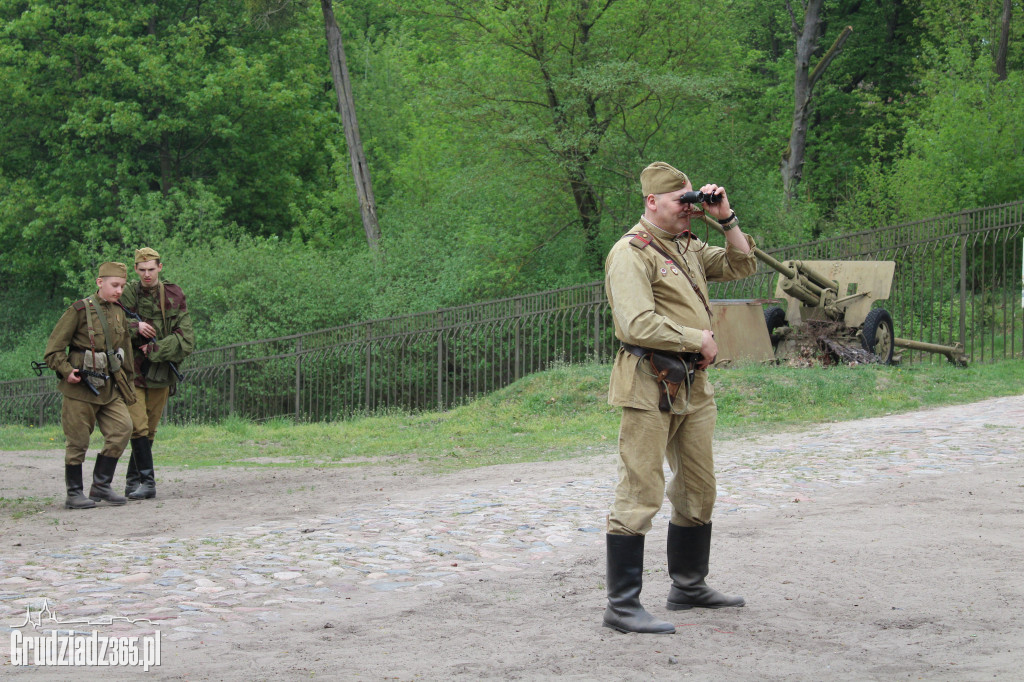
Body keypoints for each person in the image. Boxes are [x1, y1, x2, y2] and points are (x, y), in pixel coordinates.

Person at [601, 161, 758, 634]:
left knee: (698, 487)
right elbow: (635, 323)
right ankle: (622, 605)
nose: (689, 209)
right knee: (641, 488)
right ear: (652, 201)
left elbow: (742, 264)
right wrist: (697, 338)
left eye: (692, 200)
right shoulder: (631, 252)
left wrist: (725, 217)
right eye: (680, 201)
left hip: (693, 383)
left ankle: (688, 586)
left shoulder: (687, 245)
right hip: (649, 381)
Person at [44, 262, 137, 509]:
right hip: (81, 387)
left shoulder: (119, 312)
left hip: (109, 387)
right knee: (78, 441)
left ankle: (101, 485)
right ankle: (74, 493)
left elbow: (125, 349)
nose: (119, 290)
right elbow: (53, 351)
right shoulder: (79, 310)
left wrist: (128, 380)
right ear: (100, 282)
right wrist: (67, 371)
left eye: (122, 286)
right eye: (114, 285)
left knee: (122, 429)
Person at [120, 247, 195, 500]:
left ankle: (133, 481)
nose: (147, 274)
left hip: (160, 370)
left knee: (149, 429)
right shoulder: (127, 293)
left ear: (160, 268)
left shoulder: (173, 294)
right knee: (138, 425)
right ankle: (148, 483)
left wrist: (155, 348)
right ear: (135, 270)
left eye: (151, 269)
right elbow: (111, 324)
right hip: (132, 370)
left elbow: (186, 339)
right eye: (142, 270)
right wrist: (136, 326)